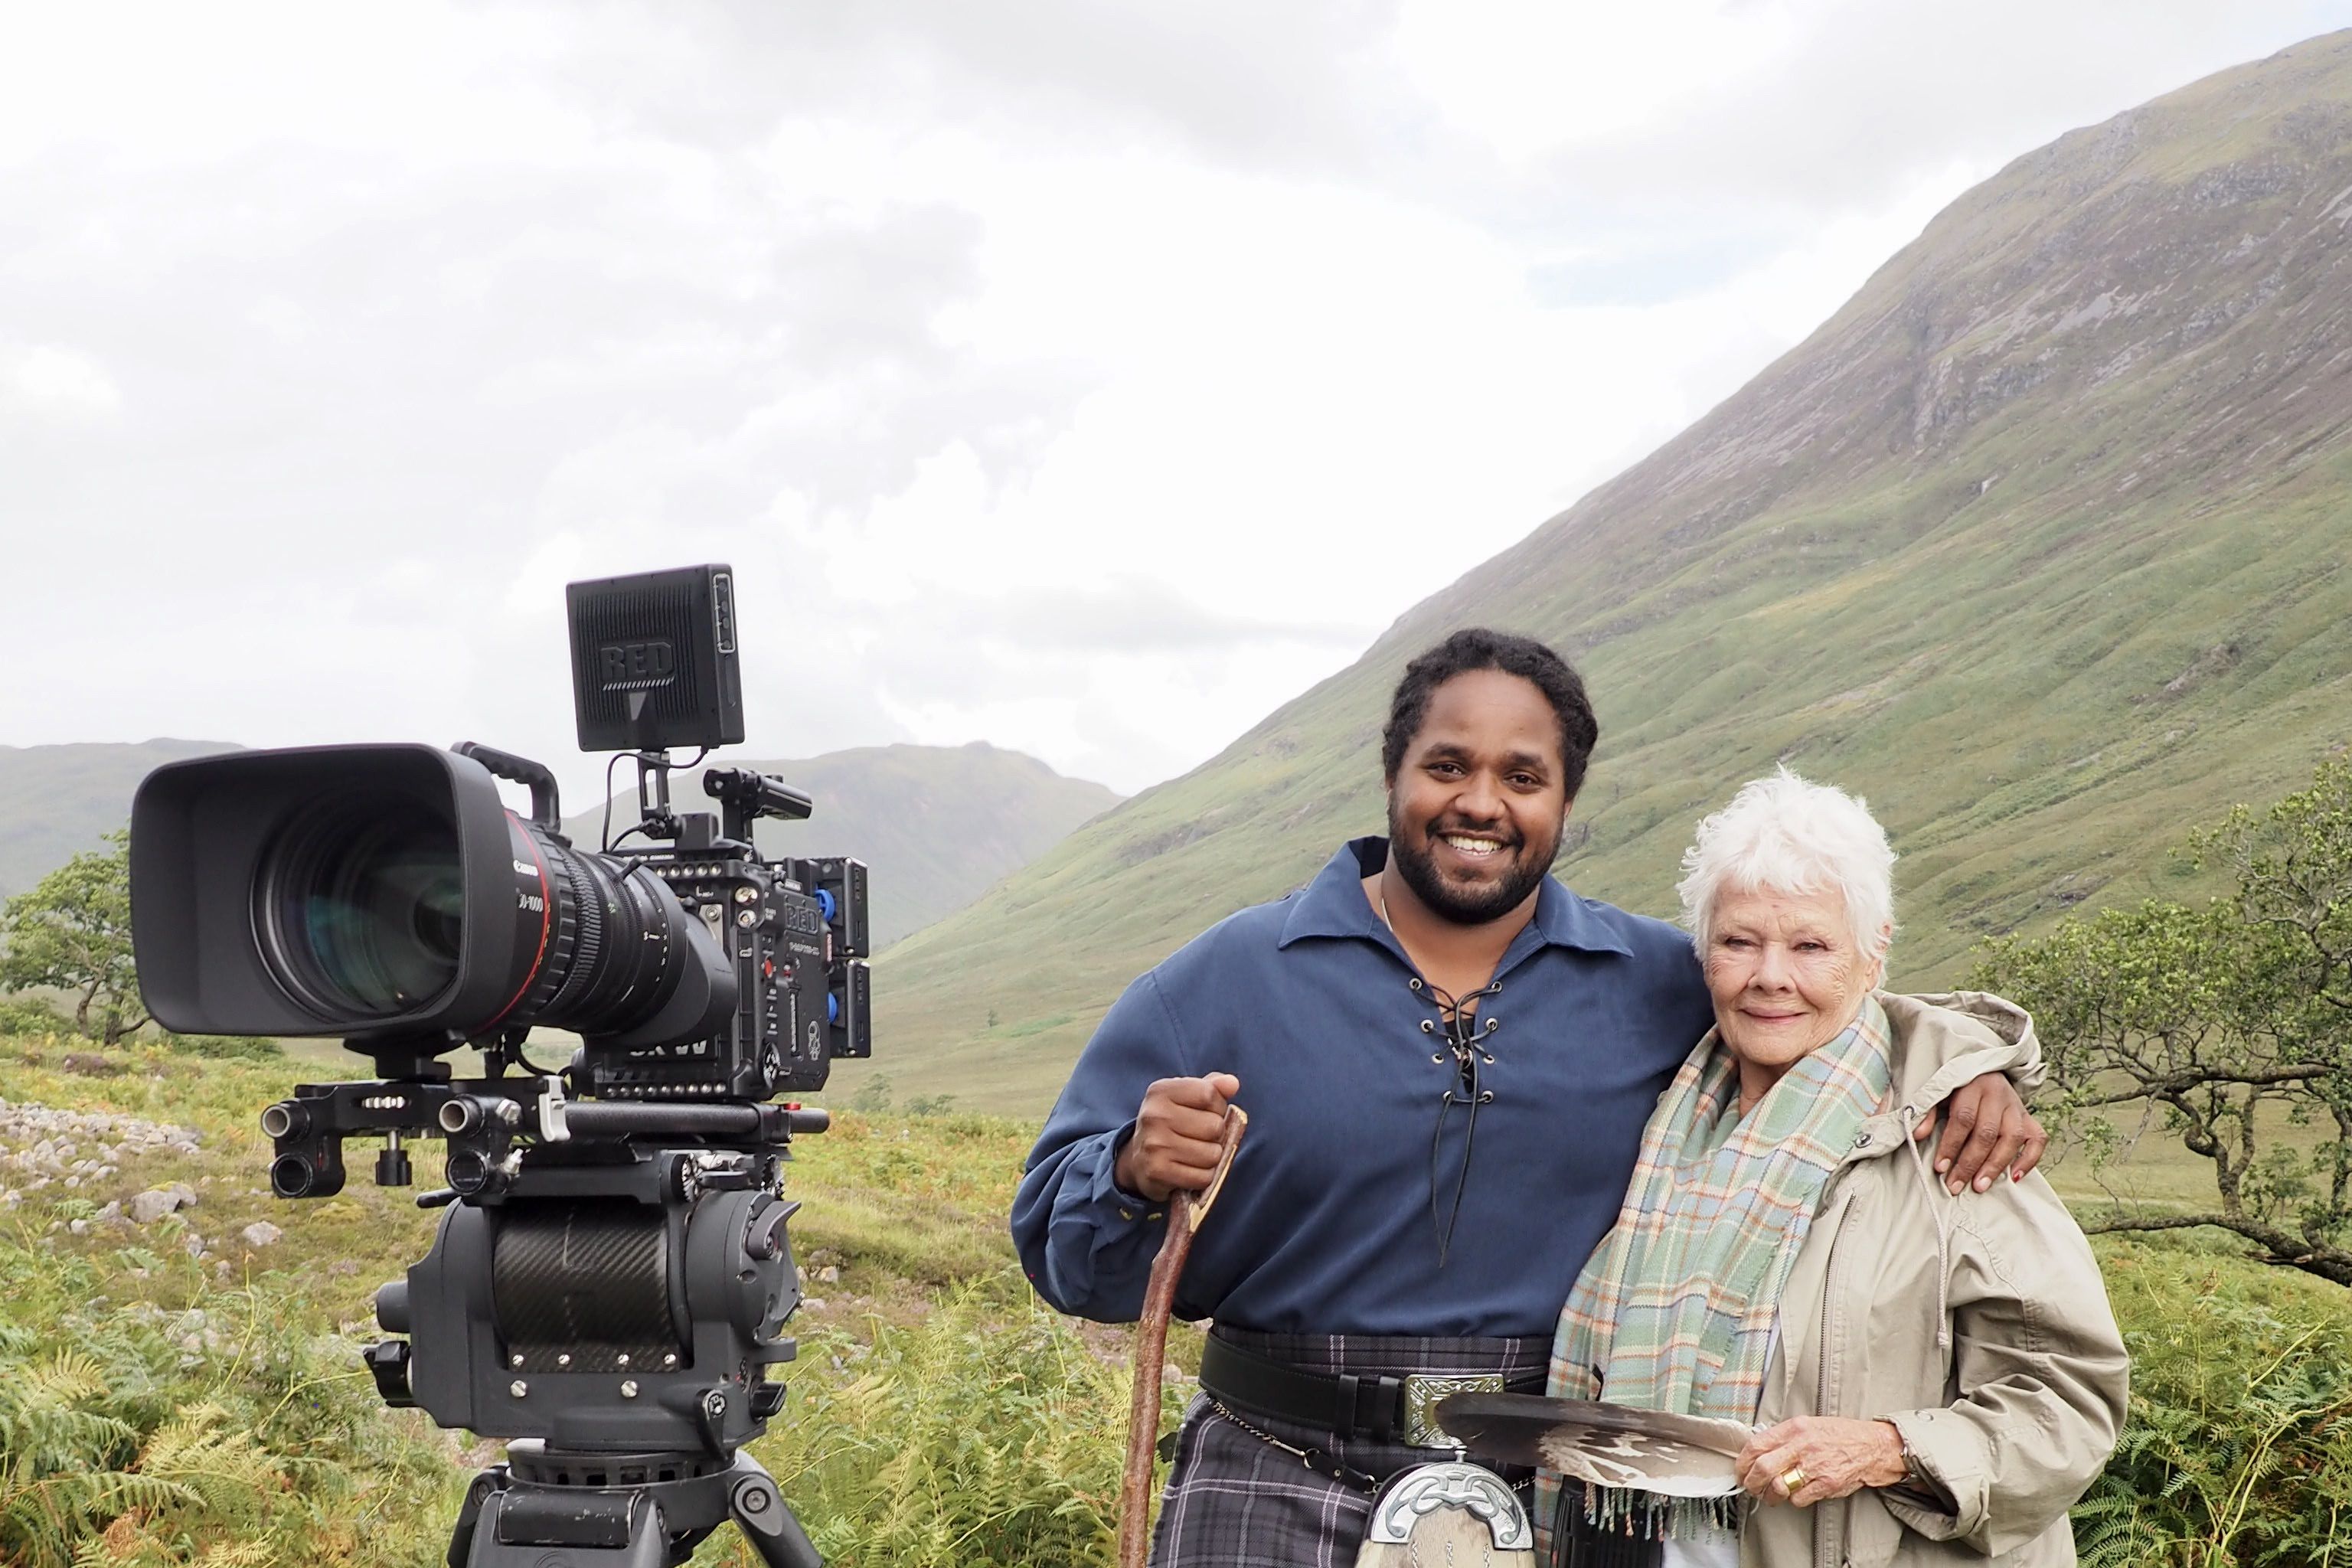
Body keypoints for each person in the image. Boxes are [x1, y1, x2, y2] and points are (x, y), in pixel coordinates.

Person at [1011, 629, 2047, 1568]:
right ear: (1392, 776)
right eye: (1447, 766)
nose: (1481, 803)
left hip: (1554, 1487)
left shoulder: (1659, 981)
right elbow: (1067, 1260)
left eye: (1524, 776)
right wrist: (1131, 1173)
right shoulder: (1229, 978)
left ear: (1563, 801)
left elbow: (1825, 1010)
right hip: (1272, 1472)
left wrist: (1970, 1068)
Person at [1540, 770, 2127, 1568]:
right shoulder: (1663, 1129)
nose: (1771, 975)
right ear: (1703, 953)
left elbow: (2069, 1399)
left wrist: (1891, 1446)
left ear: (1873, 951)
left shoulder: (1954, 1138)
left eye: (1811, 944)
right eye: (1739, 940)